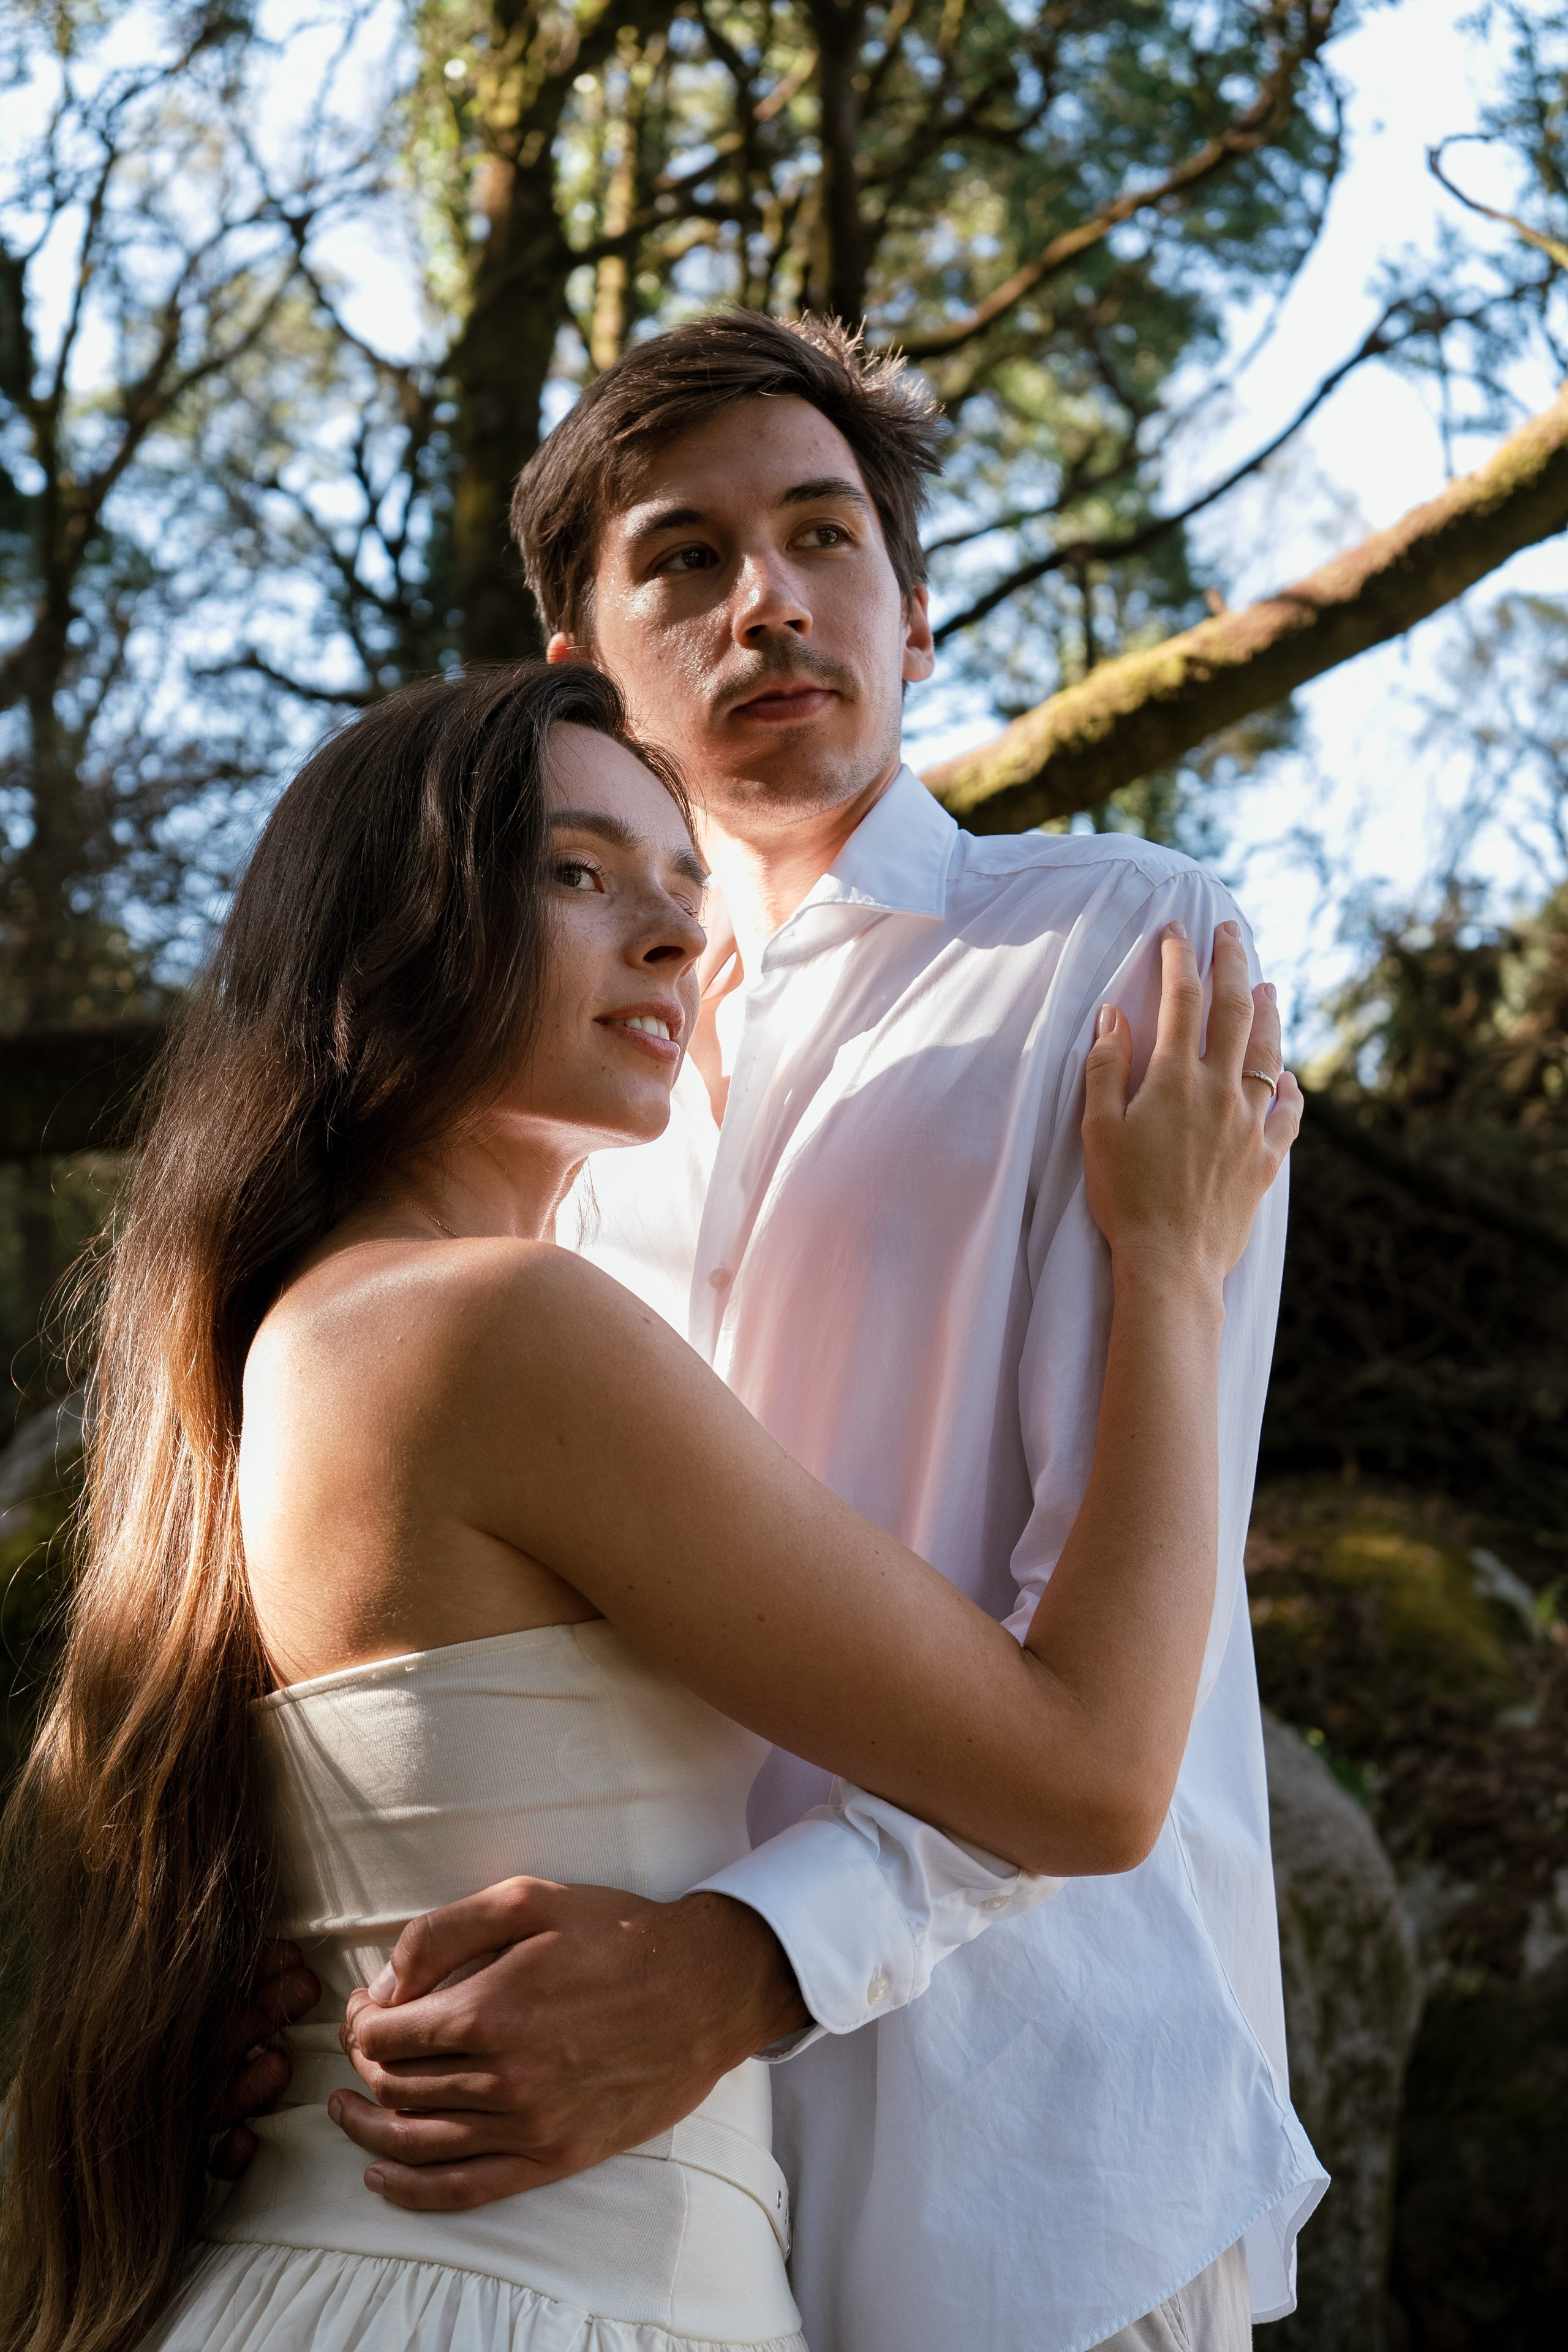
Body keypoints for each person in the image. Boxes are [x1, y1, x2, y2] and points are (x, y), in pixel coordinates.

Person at [0, 657, 1297, 2352]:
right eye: (577, 872)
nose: (678, 937)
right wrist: (1178, 1272)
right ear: (391, 928)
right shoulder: (496, 1326)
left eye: (684, 885)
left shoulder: (291, 1341)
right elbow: (1097, 1774)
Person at [311, 314, 1330, 2352]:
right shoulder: (563, 1107)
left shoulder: (1120, 949)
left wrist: (748, 1962)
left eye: (823, 536)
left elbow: (1108, 1617)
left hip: (1049, 2171)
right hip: (650, 2195)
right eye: (685, 556)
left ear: (919, 610)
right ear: (583, 665)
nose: (768, 598)